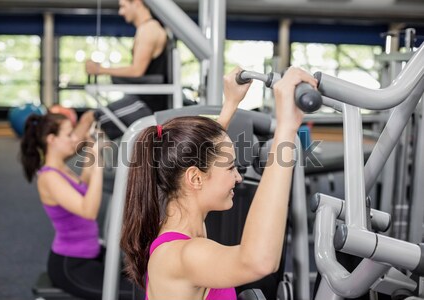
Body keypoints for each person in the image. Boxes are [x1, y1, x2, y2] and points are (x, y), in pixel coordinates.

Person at [120, 66, 318, 299]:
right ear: (194, 178)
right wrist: (286, 128)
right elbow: (259, 262)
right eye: (231, 167)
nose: (239, 177)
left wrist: (230, 103)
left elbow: (203, 155)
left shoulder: (180, 222)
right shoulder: (184, 254)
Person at [20, 113, 135, 300]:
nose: (75, 138)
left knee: (139, 278)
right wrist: (97, 166)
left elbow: (86, 188)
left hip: (91, 253)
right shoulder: (49, 178)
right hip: (72, 266)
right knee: (132, 294)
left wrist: (92, 152)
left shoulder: (62, 169)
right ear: (52, 139)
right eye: (69, 135)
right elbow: (88, 211)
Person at [75, 0, 169, 141]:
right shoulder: (146, 28)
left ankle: (55, 161)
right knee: (95, 132)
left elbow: (137, 71)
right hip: (140, 99)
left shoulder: (149, 30)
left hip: (147, 105)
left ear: (136, 3)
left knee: (89, 120)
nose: (121, 12)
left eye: (123, 6)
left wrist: (100, 70)